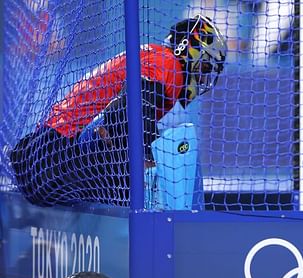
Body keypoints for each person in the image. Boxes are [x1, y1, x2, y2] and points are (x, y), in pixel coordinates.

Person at [9, 14, 227, 207]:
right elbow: (120, 118)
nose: (203, 79)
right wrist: (150, 165)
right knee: (151, 187)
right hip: (54, 160)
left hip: (40, 157)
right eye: (205, 68)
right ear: (188, 48)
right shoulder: (168, 64)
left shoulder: (154, 57)